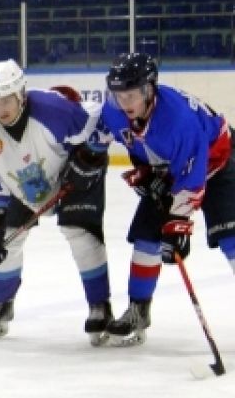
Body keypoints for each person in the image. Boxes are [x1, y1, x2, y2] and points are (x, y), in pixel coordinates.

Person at [0, 60, 113, 343]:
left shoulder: (53, 110)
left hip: (73, 177)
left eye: (6, 100)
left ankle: (99, 305)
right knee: (6, 237)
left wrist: (89, 159)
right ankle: (1, 304)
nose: (0, 109)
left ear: (21, 93)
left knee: (78, 231)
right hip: (25, 183)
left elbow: (100, 121)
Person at [98, 52, 235, 346]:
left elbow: (192, 175)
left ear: (149, 90)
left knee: (231, 236)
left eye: (132, 95)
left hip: (219, 161)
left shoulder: (177, 121)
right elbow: (112, 138)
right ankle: (139, 311)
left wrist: (178, 222)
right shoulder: (113, 111)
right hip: (173, 168)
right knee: (146, 238)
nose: (125, 103)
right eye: (119, 95)